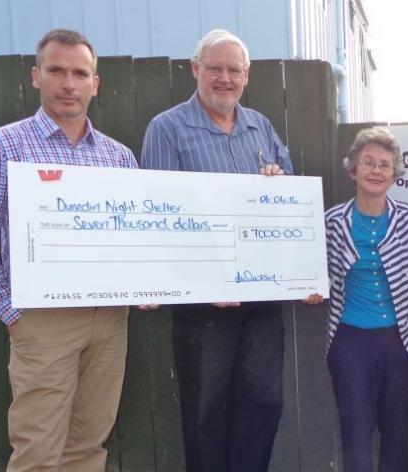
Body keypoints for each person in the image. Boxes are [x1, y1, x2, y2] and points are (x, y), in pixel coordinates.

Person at [0, 29, 138, 471]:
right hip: (42, 321)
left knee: (89, 445)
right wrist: (13, 314)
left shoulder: (119, 158)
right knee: (37, 450)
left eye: (80, 73)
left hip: (110, 320)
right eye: (56, 71)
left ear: (96, 83)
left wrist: (142, 286)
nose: (68, 83)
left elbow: (134, 238)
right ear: (36, 76)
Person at [140, 29, 304, 472]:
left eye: (234, 70)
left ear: (246, 77)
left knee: (264, 405)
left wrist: (278, 182)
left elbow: (291, 211)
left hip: (261, 301)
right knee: (205, 414)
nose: (224, 78)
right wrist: (203, 281)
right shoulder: (167, 128)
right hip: (203, 307)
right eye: (215, 68)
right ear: (196, 70)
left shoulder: (260, 127)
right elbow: (159, 217)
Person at [323, 127, 408, 472]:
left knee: (396, 432)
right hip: (349, 340)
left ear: (394, 174)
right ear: (353, 170)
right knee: (356, 433)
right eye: (368, 163)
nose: (376, 171)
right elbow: (314, 272)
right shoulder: (332, 222)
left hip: (400, 341)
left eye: (384, 165)